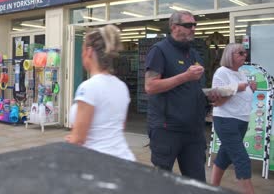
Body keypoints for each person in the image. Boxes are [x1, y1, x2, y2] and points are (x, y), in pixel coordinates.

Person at [145, 11, 207, 182]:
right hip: (167, 130)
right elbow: (150, 86)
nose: (193, 29)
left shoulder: (194, 54)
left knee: (197, 183)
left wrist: (211, 97)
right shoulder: (159, 50)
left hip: (193, 131)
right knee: (162, 182)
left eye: (195, 25)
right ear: (174, 27)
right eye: (188, 25)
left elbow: (194, 89)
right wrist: (184, 77)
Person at [66, 25, 135, 161]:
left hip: (98, 161)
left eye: (83, 50)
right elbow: (118, 126)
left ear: (89, 52)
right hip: (124, 158)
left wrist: (71, 140)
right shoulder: (121, 86)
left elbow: (79, 139)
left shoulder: (88, 88)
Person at [209, 43, 255, 194]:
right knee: (242, 159)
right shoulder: (221, 72)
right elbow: (217, 100)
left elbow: (242, 96)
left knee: (225, 155)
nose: (244, 55)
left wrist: (250, 90)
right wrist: (237, 88)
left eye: (245, 52)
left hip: (241, 120)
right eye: (240, 53)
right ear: (230, 55)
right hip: (226, 119)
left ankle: (211, 188)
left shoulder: (241, 73)